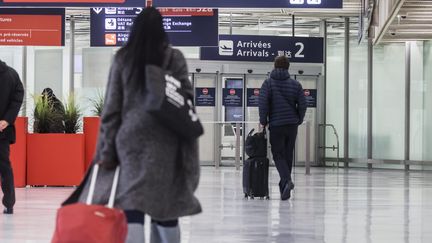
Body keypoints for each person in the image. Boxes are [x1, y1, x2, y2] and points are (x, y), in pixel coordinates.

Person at [64, 7, 201, 243]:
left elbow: (111, 109)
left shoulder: (123, 58)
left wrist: (106, 151)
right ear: (162, 30)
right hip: (167, 142)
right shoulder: (174, 57)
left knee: (131, 202)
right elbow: (186, 99)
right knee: (166, 205)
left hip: (130, 142)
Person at [259, 56, 307, 201]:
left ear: (274, 66)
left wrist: (263, 121)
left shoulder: (268, 83)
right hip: (292, 125)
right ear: (288, 67)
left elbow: (263, 104)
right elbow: (303, 105)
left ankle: (287, 181)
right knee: (287, 155)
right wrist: (299, 119)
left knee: (278, 155)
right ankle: (284, 188)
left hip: (276, 124)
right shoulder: (295, 84)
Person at [0, 60, 25, 214]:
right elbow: (18, 97)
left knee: (4, 166)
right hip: (3, 130)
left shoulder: (10, 74)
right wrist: (7, 119)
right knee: (5, 167)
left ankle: (9, 202)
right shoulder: (12, 74)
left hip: (2, 130)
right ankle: (9, 203)